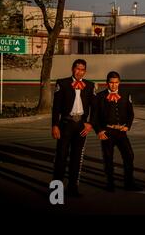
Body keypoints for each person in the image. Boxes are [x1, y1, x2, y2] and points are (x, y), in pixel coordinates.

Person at [51, 59, 95, 197]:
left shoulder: (90, 85)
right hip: (66, 124)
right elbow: (56, 107)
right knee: (61, 158)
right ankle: (56, 192)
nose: (79, 71)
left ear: (85, 71)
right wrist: (55, 125)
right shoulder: (62, 83)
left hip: (81, 125)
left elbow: (95, 108)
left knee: (76, 159)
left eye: (82, 69)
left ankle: (72, 189)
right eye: (77, 68)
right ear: (72, 69)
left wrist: (90, 123)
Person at [92, 71, 142, 192]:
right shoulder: (99, 97)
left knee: (129, 155)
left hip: (121, 132)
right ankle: (110, 183)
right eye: (111, 83)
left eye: (116, 83)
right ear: (107, 83)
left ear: (119, 83)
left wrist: (128, 126)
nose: (113, 85)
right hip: (107, 131)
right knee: (108, 158)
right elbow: (94, 117)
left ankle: (128, 183)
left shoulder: (125, 94)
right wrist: (99, 131)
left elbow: (131, 113)